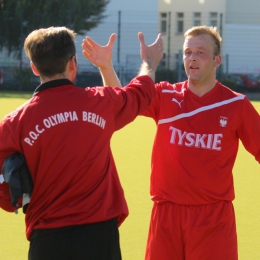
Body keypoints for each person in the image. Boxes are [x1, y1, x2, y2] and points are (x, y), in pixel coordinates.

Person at [83, 25, 260, 260]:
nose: (192, 58)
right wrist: (106, 67)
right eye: (187, 53)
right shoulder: (165, 95)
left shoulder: (236, 105)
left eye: (200, 52)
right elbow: (124, 102)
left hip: (213, 219)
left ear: (217, 60)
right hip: (166, 217)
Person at [0, 26, 163, 260]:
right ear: (73, 63)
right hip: (99, 235)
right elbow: (141, 92)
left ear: (34, 67)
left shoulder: (13, 124)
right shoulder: (100, 102)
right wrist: (149, 62)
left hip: (47, 238)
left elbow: (6, 193)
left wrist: (19, 198)